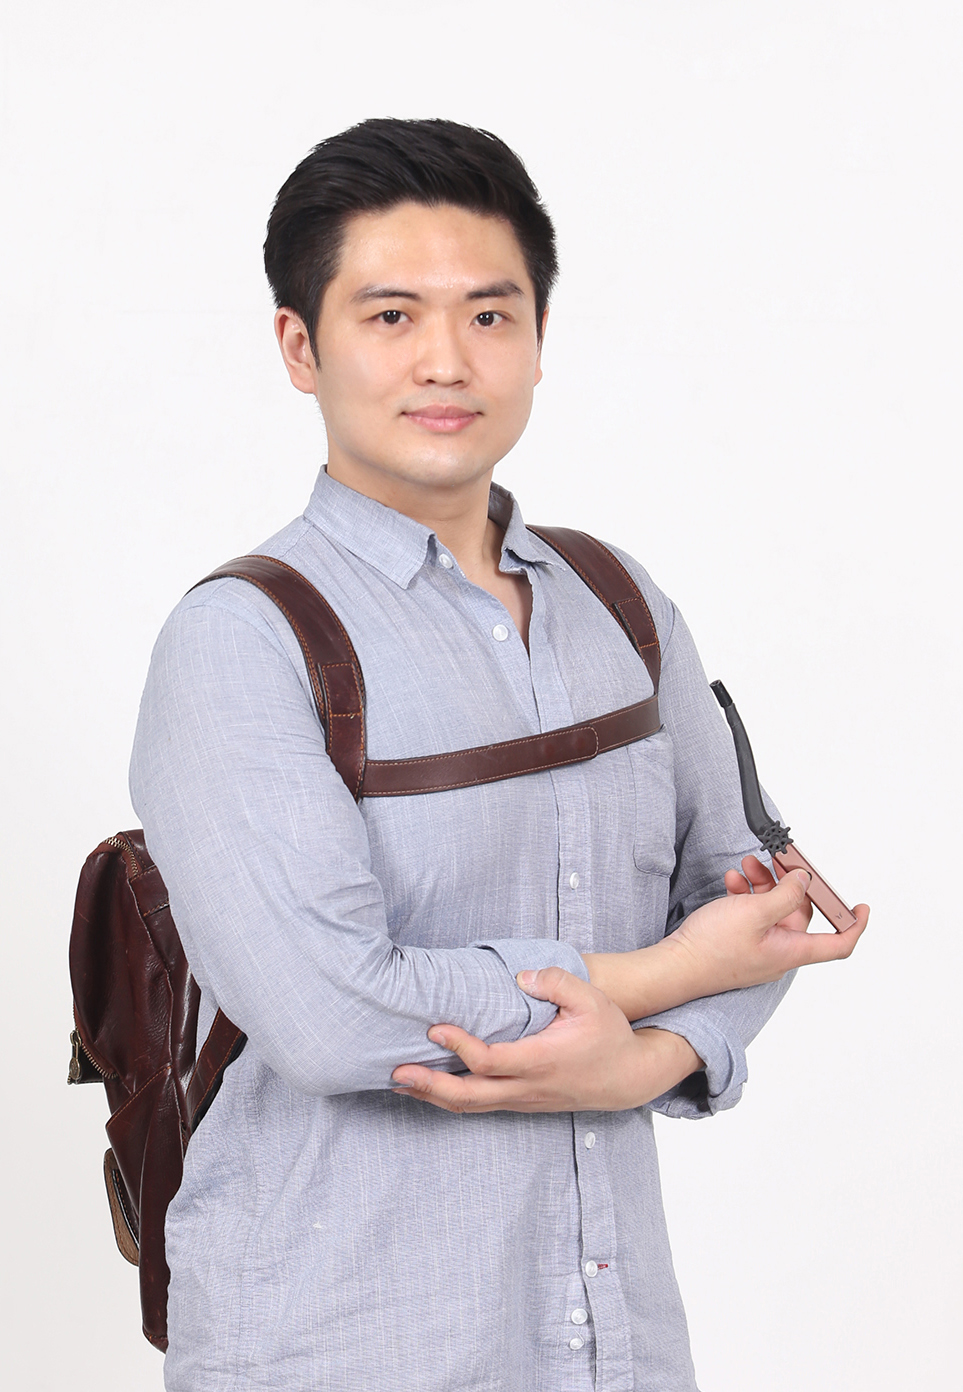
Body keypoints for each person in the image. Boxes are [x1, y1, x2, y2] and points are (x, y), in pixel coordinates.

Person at [130, 118, 867, 1392]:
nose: (447, 360)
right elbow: (328, 1012)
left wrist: (648, 1057)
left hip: (617, 1345)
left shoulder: (617, 602)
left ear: (538, 337)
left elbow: (752, 903)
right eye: (391, 316)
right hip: (338, 1345)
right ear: (300, 346)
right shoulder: (241, 639)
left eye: (489, 314)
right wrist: (660, 974)